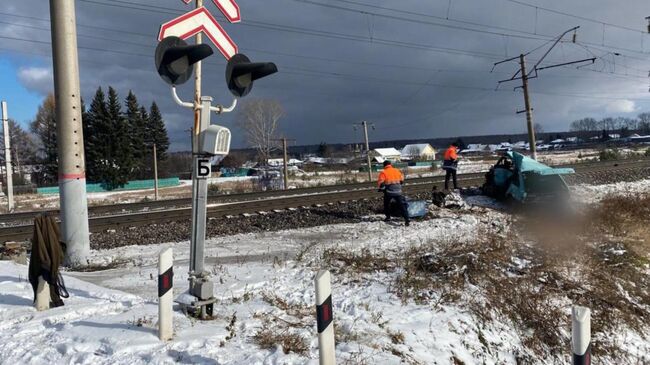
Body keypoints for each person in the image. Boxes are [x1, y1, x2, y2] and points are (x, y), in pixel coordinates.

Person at [377, 160, 410, 226]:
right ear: (390, 165)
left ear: (384, 166)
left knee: (386, 204)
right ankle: (407, 219)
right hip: (398, 191)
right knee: (402, 205)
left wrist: (381, 189)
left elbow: (381, 183)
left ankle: (388, 217)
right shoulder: (397, 170)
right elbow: (401, 180)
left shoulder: (383, 172)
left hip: (389, 192)